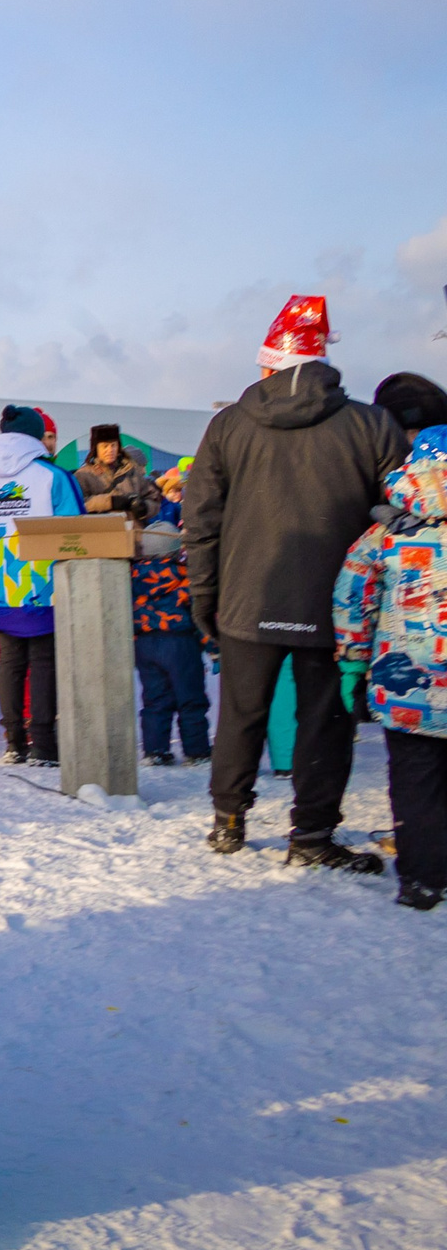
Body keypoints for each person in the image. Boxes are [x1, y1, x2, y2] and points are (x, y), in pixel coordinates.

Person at [184, 295, 407, 864]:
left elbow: (201, 521)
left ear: (269, 364)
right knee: (325, 722)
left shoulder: (228, 425)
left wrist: (205, 597)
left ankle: (228, 820)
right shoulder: (371, 425)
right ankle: (310, 836)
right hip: (335, 604)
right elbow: (404, 512)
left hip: (245, 596)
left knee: (240, 714)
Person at [335, 425, 447, 911]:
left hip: (407, 685)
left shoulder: (383, 535)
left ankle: (422, 879)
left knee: (415, 780)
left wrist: (352, 664)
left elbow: (352, 599)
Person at [0, 405, 82, 765]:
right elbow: (73, 528)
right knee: (44, 662)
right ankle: (44, 744)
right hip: (44, 584)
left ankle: (14, 742)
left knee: (10, 662)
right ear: (34, 435)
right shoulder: (51, 475)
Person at [131, 521, 211, 767]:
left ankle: (155, 750)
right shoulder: (184, 574)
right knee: (190, 697)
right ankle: (196, 751)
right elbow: (199, 615)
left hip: (145, 644)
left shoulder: (132, 576)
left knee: (155, 699)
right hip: (180, 642)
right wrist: (213, 647)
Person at [77, 424, 158, 520]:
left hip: (133, 531)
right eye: (105, 446)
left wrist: (144, 507)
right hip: (101, 531)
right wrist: (110, 502)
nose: (110, 450)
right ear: (96, 449)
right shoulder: (83, 475)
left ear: (118, 447)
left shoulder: (132, 471)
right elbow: (77, 504)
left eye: (113, 445)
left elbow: (154, 498)